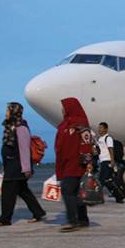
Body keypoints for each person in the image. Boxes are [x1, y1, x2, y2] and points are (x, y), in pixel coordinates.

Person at [0, 103, 46, 227]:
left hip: (17, 166)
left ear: (14, 112)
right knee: (23, 191)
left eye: (8, 110)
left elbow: (24, 149)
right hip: (12, 165)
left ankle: (5, 219)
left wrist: (26, 168)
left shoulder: (20, 127)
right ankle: (38, 212)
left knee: (8, 192)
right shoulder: (11, 127)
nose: (6, 112)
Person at [54, 98, 94, 232]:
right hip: (66, 163)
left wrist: (88, 162)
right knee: (77, 192)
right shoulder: (65, 124)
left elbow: (86, 143)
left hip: (76, 163)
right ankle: (83, 219)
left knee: (67, 190)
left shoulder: (80, 123)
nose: (62, 109)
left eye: (64, 107)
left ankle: (73, 220)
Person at [97, 122, 124, 203]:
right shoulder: (99, 139)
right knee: (107, 181)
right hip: (102, 161)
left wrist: (112, 161)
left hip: (107, 161)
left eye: (101, 127)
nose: (99, 129)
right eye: (99, 127)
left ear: (106, 129)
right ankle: (119, 196)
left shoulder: (108, 138)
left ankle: (98, 198)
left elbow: (111, 149)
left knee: (101, 180)